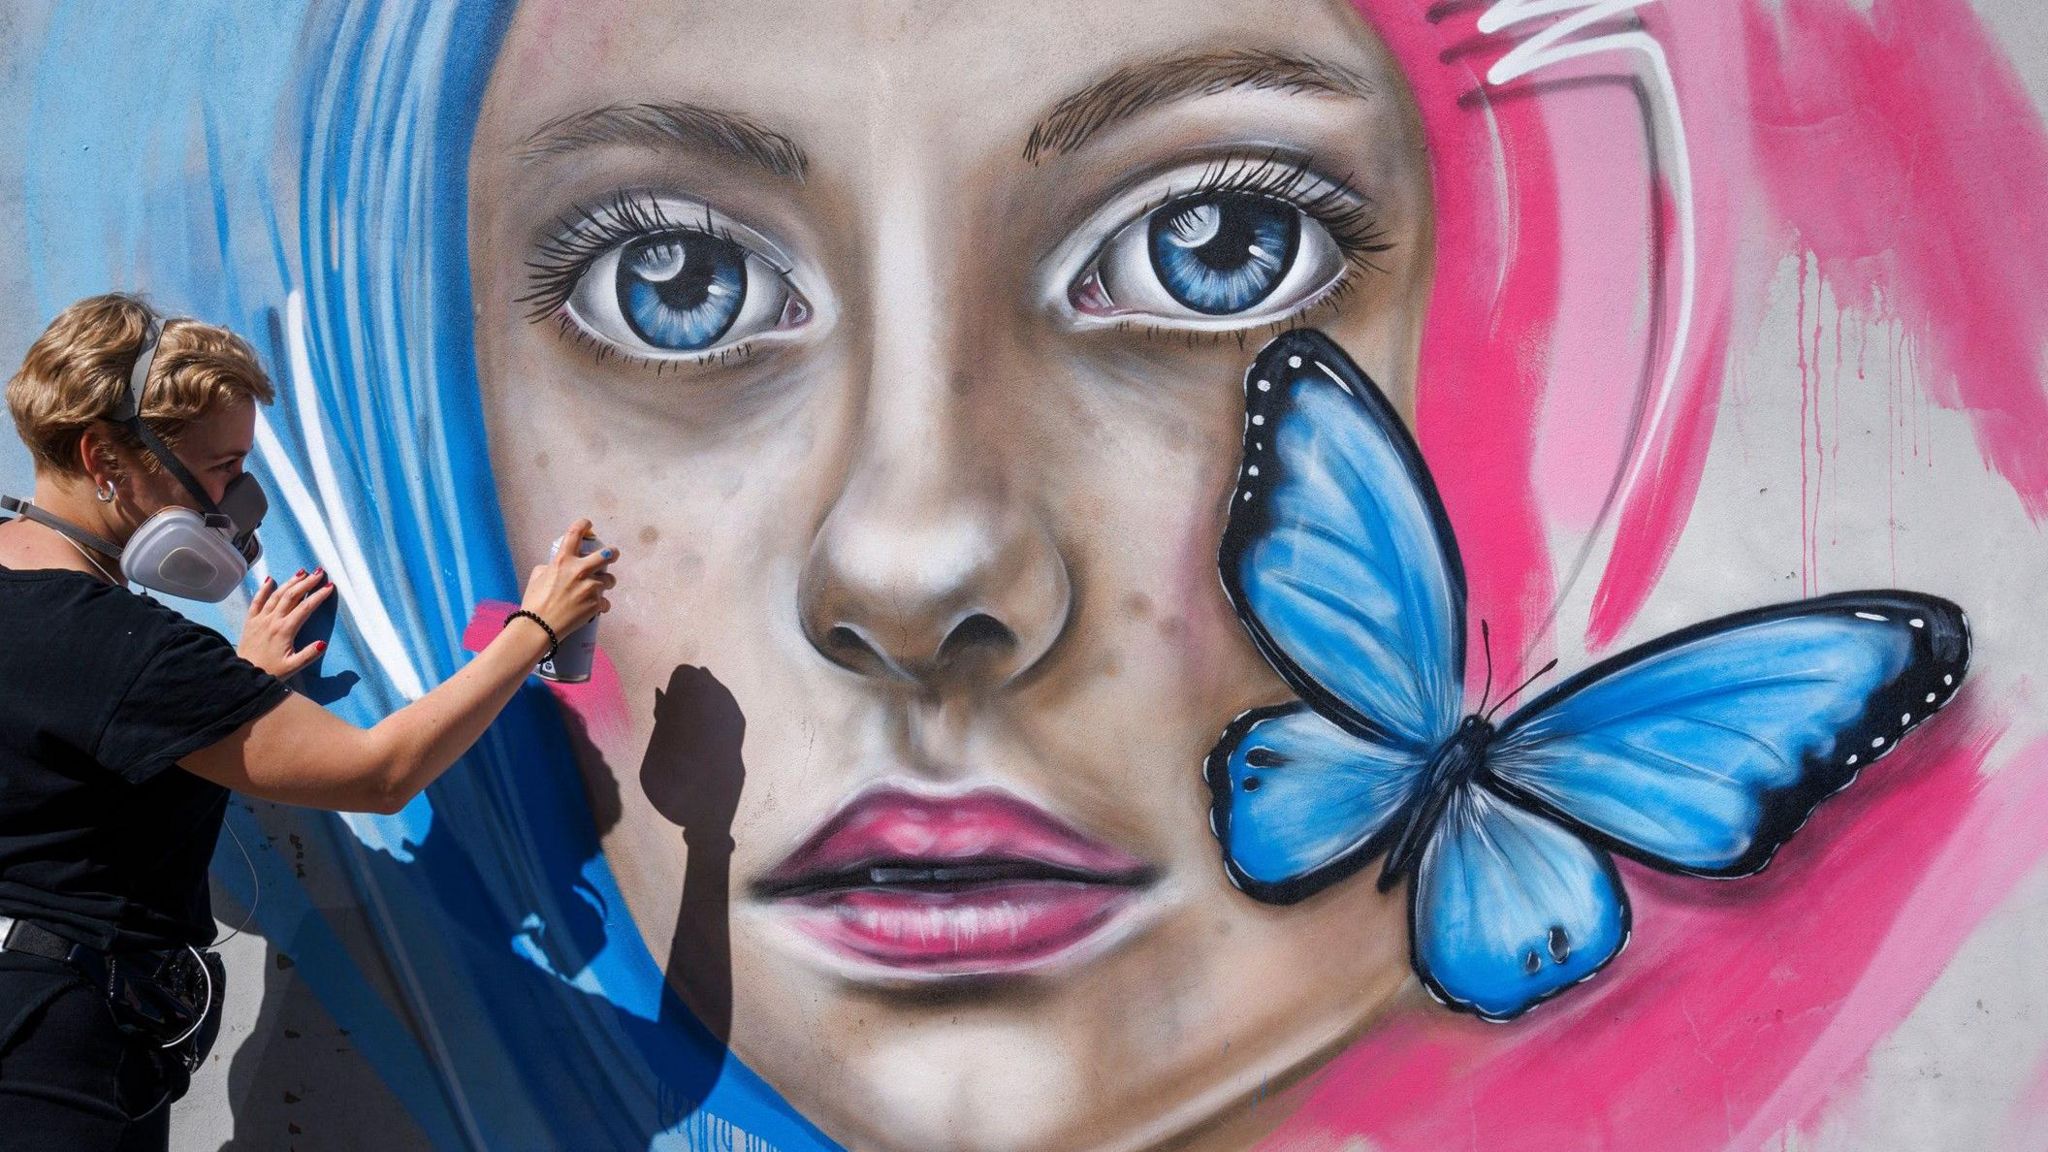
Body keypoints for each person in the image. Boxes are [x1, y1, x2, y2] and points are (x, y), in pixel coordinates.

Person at [0, 293, 618, 1151]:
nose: (237, 501)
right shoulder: (120, 648)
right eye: (220, 469)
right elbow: (377, 774)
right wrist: (536, 629)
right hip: (49, 1068)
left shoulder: (58, 621)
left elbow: (68, 780)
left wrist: (234, 690)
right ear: (105, 455)